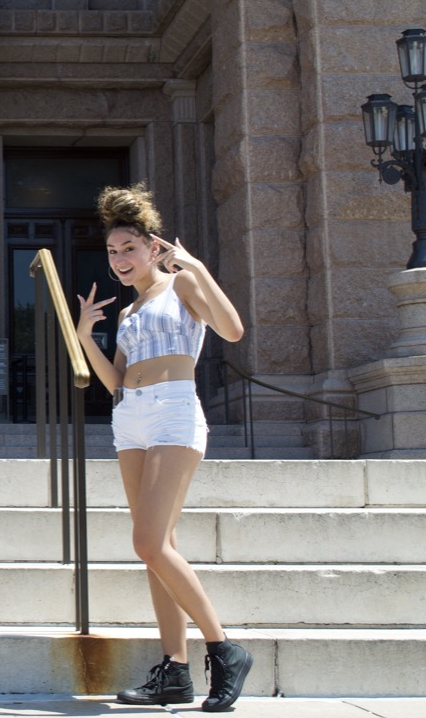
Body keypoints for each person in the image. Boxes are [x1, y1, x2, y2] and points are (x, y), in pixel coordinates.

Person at [74, 183, 251, 713]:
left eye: (129, 248)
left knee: (149, 543)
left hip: (174, 410)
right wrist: (85, 336)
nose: (120, 259)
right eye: (112, 251)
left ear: (154, 248)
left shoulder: (182, 286)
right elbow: (116, 383)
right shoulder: (128, 315)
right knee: (158, 550)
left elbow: (233, 330)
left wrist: (196, 268)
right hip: (130, 418)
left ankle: (225, 650)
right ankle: (174, 669)